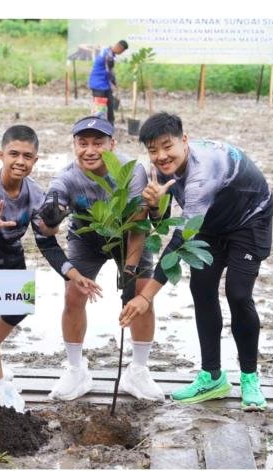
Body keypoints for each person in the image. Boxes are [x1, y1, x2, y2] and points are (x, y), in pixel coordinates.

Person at [121, 112, 273, 411]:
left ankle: (249, 377)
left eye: (168, 147)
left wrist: (145, 296)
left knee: (238, 294)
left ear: (185, 140)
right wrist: (154, 204)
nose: (161, 156)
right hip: (209, 222)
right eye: (153, 150)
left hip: (250, 218)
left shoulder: (203, 173)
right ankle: (212, 376)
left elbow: (179, 241)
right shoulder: (162, 169)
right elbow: (163, 222)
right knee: (202, 291)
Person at [0, 125, 98, 411]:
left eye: (27, 156)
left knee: (18, 309)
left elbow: (48, 243)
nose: (20, 161)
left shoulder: (35, 195)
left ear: (35, 161)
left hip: (8, 252)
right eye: (14, 154)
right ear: (1, 155)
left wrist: (73, 274)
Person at [41, 116, 161, 402]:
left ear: (112, 144)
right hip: (87, 237)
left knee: (143, 293)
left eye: (98, 143)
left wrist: (130, 270)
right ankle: (75, 369)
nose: (90, 150)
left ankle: (139, 370)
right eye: (83, 143)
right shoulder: (66, 178)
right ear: (74, 145)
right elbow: (50, 219)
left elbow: (138, 224)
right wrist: (52, 213)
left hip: (128, 235)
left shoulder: (132, 173)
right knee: (72, 295)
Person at [87, 40, 129, 125]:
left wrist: (113, 84)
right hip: (98, 83)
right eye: (122, 51)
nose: (121, 53)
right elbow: (110, 72)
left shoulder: (108, 51)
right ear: (119, 47)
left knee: (110, 104)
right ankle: (96, 126)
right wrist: (114, 84)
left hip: (105, 83)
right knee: (99, 107)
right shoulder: (108, 55)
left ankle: (110, 125)